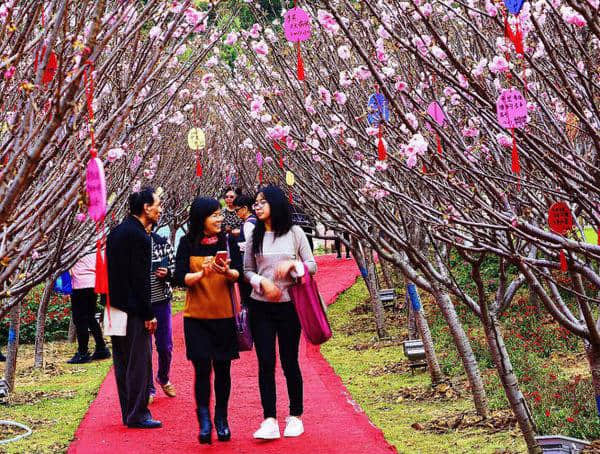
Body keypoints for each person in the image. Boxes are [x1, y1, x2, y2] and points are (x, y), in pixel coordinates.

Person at [244, 185, 317, 440]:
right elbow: (247, 270)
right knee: (265, 362)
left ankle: (295, 415)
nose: (258, 206)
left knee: (289, 361)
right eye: (256, 203)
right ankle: (269, 419)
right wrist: (260, 283)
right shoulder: (255, 235)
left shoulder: (295, 233)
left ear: (275, 203)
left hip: (289, 306)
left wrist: (292, 266)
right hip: (261, 307)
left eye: (263, 202)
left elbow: (311, 265)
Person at [174, 197, 240, 445]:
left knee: (223, 370)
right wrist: (203, 272)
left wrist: (227, 272)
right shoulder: (186, 243)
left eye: (219, 214)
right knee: (202, 370)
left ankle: (221, 418)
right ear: (201, 218)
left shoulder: (228, 241)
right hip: (196, 318)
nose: (219, 219)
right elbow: (179, 278)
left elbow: (239, 274)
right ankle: (204, 420)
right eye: (213, 215)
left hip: (224, 316)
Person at [107, 187, 161, 429]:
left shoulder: (116, 232)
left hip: (114, 306)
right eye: (157, 204)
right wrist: (149, 313)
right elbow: (140, 280)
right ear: (146, 207)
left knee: (122, 361)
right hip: (134, 310)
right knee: (139, 361)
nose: (160, 209)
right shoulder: (140, 237)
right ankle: (138, 414)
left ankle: (128, 411)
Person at [147, 228, 176, 402]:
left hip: (161, 302)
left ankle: (163, 377)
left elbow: (174, 268)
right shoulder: (134, 243)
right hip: (142, 304)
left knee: (165, 346)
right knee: (145, 349)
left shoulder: (161, 242)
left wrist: (168, 274)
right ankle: (149, 388)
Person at [67, 252, 111, 364]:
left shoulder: (75, 243)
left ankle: (83, 353)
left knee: (80, 319)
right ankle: (101, 348)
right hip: (92, 282)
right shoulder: (91, 241)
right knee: (90, 317)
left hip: (80, 283)